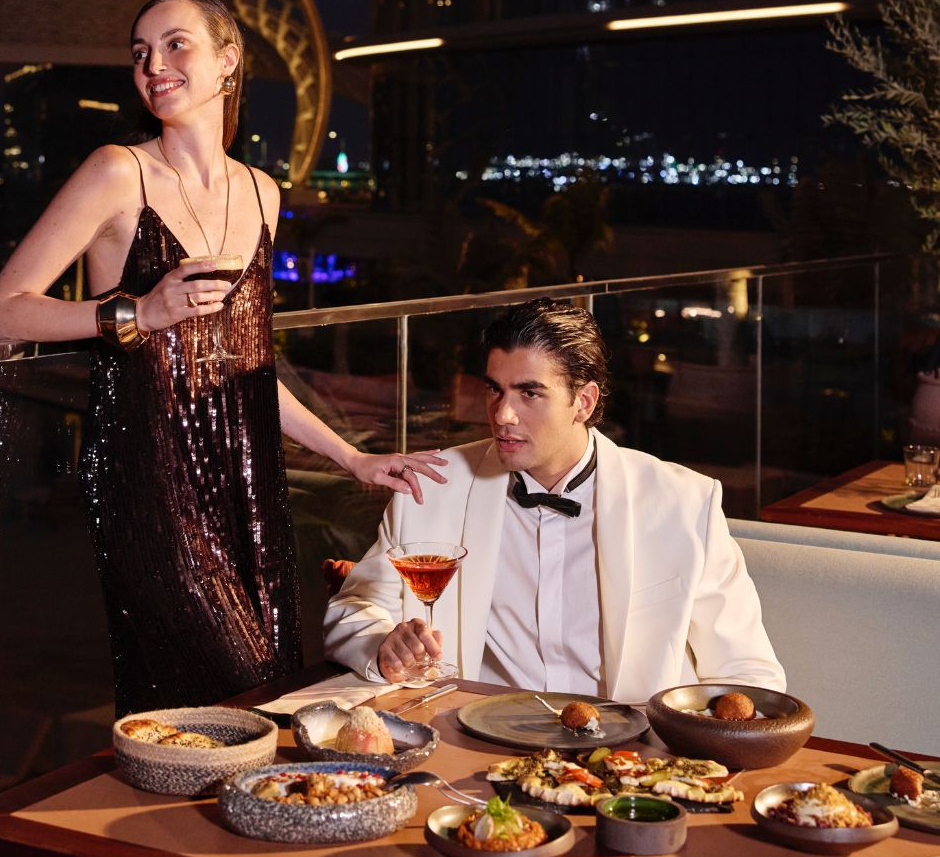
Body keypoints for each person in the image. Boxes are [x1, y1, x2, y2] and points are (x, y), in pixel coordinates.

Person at [0, 0, 445, 857]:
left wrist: (351, 454)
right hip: (149, 478)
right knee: (214, 705)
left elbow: (247, 364)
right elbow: (2, 308)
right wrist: (130, 312)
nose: (154, 67)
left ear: (231, 63)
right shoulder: (116, 172)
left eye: (176, 46)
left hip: (249, 480)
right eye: (141, 52)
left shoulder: (264, 193)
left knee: (265, 710)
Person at [323, 298, 785, 701]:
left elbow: (746, 673)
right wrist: (384, 648)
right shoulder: (433, 487)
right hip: (476, 744)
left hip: (629, 758)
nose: (502, 414)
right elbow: (352, 611)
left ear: (583, 402)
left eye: (530, 393)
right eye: (495, 390)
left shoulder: (684, 503)